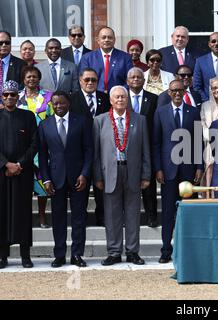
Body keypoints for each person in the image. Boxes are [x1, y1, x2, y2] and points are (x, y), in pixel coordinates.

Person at [93, 86, 151, 266]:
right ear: (110, 100)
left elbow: (145, 150)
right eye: (116, 97)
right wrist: (98, 177)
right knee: (111, 214)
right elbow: (96, 152)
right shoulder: (100, 121)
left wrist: (146, 174)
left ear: (128, 100)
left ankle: (133, 251)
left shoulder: (139, 120)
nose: (120, 100)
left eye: (123, 97)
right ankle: (114, 251)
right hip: (109, 173)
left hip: (132, 171)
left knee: (133, 213)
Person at [38, 91, 93, 268]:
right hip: (55, 179)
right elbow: (42, 155)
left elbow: (89, 151)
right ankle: (59, 254)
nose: (58, 106)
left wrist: (85, 174)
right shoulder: (45, 125)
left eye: (61, 103)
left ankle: (77, 254)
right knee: (58, 218)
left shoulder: (82, 121)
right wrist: (45, 180)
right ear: (51, 105)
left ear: (68, 103)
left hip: (79, 178)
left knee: (79, 218)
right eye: (55, 104)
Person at [153, 79, 203, 263]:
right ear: (168, 92)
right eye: (173, 90)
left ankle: (191, 250)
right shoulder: (160, 112)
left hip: (189, 170)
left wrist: (199, 167)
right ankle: (166, 249)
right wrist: (158, 168)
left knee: (190, 211)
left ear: (184, 91)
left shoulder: (193, 112)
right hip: (168, 171)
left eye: (180, 90)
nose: (176, 93)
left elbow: (198, 141)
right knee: (167, 212)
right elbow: (156, 143)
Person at [0, 80, 38, 269]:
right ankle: (2, 255)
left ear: (18, 96)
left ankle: (25, 255)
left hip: (22, 173)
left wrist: (19, 164)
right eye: (6, 95)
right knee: (1, 213)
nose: (9, 98)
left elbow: (34, 143)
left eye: (12, 95)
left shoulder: (28, 116)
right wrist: (6, 164)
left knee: (23, 213)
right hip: (2, 173)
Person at [70, 68, 111, 226]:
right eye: (86, 79)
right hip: (80, 150)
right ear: (80, 80)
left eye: (93, 80)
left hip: (103, 149)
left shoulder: (105, 98)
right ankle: (81, 218)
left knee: (102, 186)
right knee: (82, 187)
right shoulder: (72, 99)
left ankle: (102, 217)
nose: (90, 83)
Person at [17, 65, 54, 228]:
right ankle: (23, 219)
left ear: (39, 78)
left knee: (41, 184)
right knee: (22, 185)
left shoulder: (48, 97)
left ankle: (41, 216)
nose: (31, 79)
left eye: (34, 76)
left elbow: (53, 120)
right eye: (28, 77)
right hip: (21, 146)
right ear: (23, 79)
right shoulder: (16, 97)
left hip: (43, 145)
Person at [126, 67, 159, 227]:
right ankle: (127, 218)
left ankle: (151, 216)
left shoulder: (153, 98)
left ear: (144, 80)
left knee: (149, 185)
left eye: (139, 77)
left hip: (148, 147)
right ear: (127, 81)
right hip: (126, 147)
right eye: (132, 77)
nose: (136, 80)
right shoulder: (121, 97)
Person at [79, 27, 133, 93]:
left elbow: (130, 80)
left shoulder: (125, 58)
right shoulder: (87, 58)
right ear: (98, 40)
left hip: (117, 98)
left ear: (114, 40)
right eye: (103, 37)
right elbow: (83, 80)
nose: (106, 40)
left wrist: (120, 92)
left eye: (110, 37)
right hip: (94, 97)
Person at [200, 77, 218, 186]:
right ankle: (209, 199)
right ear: (211, 90)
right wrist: (211, 138)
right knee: (209, 171)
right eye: (214, 88)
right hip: (209, 144)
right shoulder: (205, 105)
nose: (217, 90)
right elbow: (202, 123)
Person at [0, 31, 27, 98]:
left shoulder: (21, 64)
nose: (4, 45)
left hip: (12, 105)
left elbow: (23, 88)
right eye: (0, 43)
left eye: (7, 43)